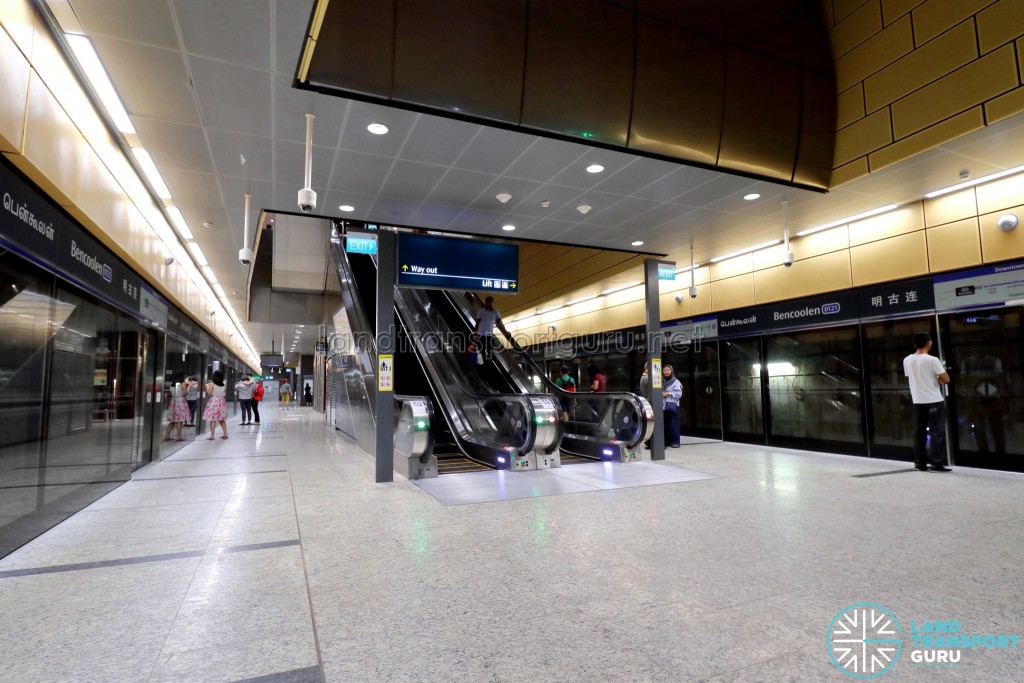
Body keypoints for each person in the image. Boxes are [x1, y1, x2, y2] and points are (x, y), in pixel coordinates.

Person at [904, 332, 952, 472]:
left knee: (919, 432)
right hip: (934, 400)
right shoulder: (932, 360)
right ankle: (936, 463)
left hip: (917, 400)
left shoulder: (907, 360)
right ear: (929, 343)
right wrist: (937, 379)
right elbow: (946, 378)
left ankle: (919, 463)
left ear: (914, 344)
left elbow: (913, 376)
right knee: (936, 432)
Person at [473, 296, 509, 362]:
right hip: (480, 336)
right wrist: (475, 334)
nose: (490, 303)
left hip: (490, 336)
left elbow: (500, 323)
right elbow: (477, 323)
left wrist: (505, 332)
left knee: (490, 353)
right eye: (488, 302)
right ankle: (481, 365)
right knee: (480, 352)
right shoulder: (481, 311)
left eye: (491, 302)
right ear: (485, 303)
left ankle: (489, 365)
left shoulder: (496, 312)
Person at [162, 375, 191, 442]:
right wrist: (189, 386)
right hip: (180, 402)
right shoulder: (182, 384)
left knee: (172, 421)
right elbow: (185, 393)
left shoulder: (172, 384)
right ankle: (178, 437)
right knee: (179, 420)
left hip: (173, 401)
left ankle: (167, 436)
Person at [202, 370, 229, 440]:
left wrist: (207, 387)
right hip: (221, 401)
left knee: (213, 419)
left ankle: (212, 435)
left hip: (214, 401)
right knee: (222, 419)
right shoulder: (224, 384)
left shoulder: (212, 384)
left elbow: (209, 393)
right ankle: (225, 433)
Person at [661, 364, 682, 448]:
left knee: (673, 424)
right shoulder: (661, 381)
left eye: (668, 370)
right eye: (665, 370)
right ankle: (666, 441)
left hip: (672, 405)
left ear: (671, 371)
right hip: (662, 406)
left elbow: (679, 393)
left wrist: (669, 393)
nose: (666, 372)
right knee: (665, 424)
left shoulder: (676, 381)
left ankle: (675, 442)